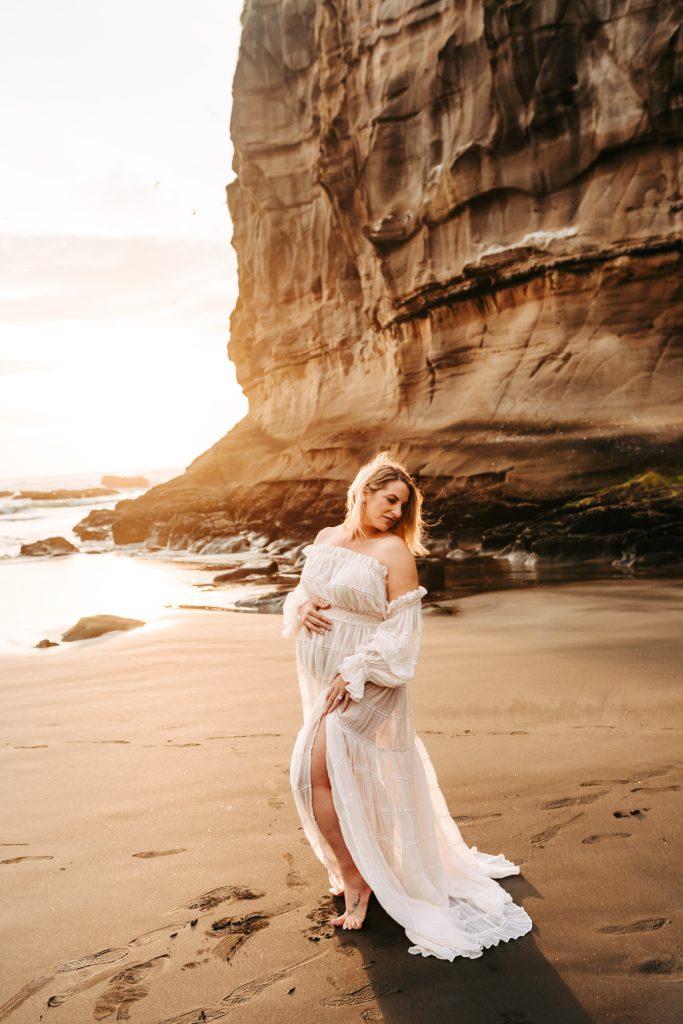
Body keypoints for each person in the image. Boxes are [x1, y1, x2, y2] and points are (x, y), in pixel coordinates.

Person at [281, 451, 533, 960]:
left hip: (367, 683)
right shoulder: (329, 538)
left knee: (308, 775)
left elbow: (402, 636)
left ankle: (358, 881)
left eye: (403, 504)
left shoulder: (394, 552)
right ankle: (359, 872)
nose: (396, 511)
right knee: (333, 776)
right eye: (389, 499)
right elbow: (302, 594)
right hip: (326, 681)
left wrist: (354, 672)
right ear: (363, 492)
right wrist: (302, 605)